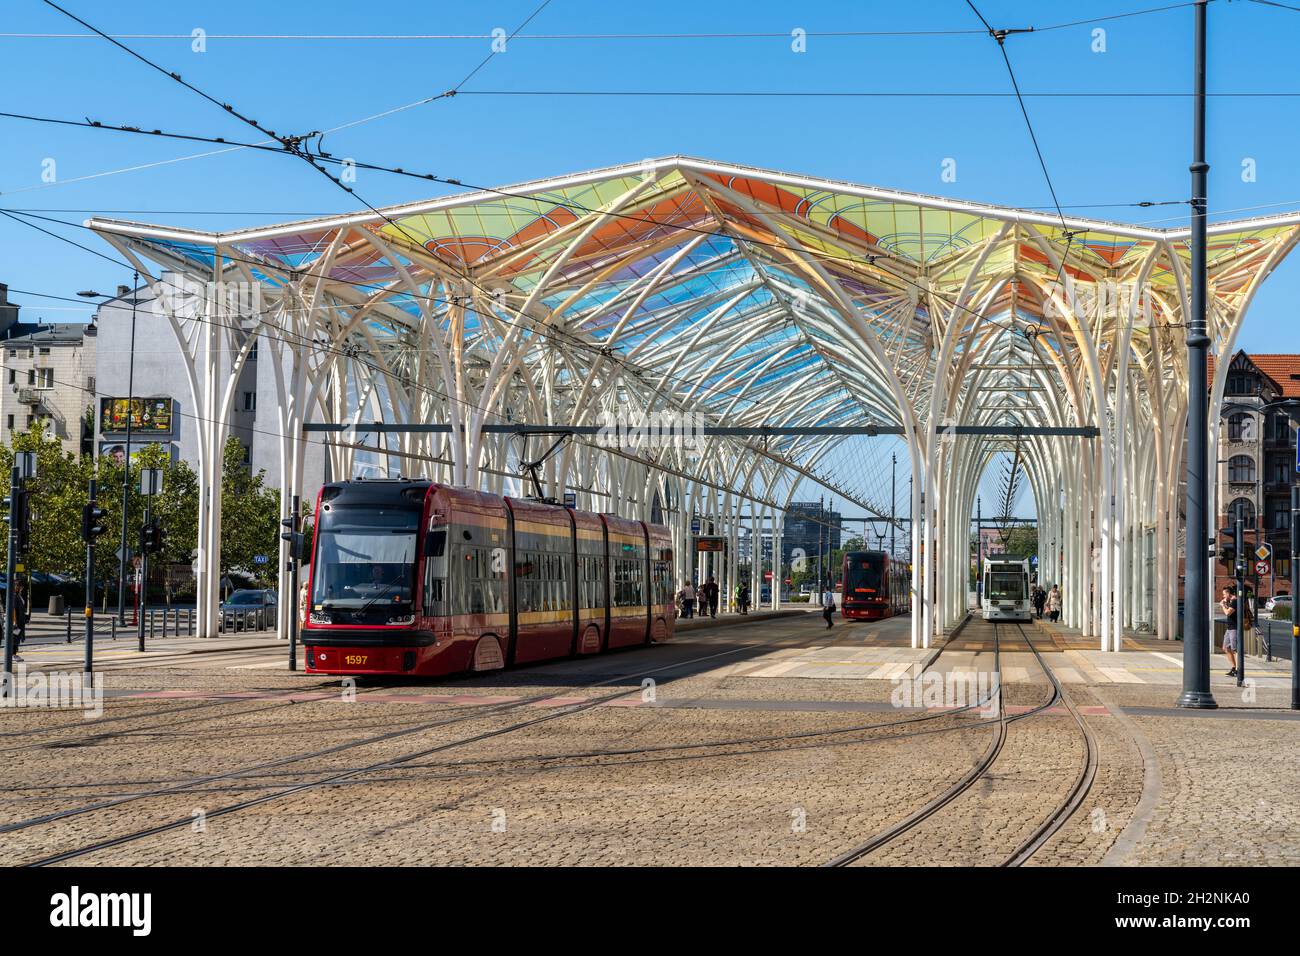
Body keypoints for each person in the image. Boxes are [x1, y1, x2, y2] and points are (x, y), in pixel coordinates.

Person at [1219, 584, 1251, 678]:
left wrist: (1223, 605)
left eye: (1224, 594)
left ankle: (1238, 669)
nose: (1223, 596)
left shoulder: (1235, 601)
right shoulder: (1232, 601)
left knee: (1235, 649)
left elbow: (1227, 613)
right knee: (1226, 648)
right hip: (1230, 628)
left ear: (1229, 594)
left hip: (1235, 628)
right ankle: (1234, 668)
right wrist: (1225, 603)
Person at [10, 579, 29, 662]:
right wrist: (14, 621)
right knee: (14, 637)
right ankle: (13, 655)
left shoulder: (19, 596)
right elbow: (13, 609)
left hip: (20, 620)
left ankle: (14, 654)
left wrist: (26, 618)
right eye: (17, 585)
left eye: (20, 586)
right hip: (16, 621)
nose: (18, 587)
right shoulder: (14, 596)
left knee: (17, 637)